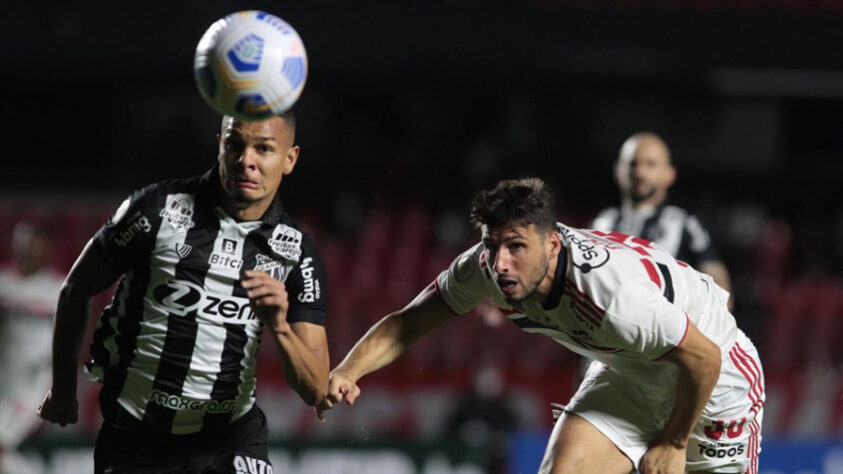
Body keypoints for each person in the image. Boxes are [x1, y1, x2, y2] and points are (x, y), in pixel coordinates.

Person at [318, 178, 764, 474]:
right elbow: (409, 322)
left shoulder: (609, 295)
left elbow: (702, 356)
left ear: (552, 244)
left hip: (714, 380)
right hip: (631, 369)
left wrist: (672, 442)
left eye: (516, 247)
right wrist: (349, 370)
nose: (501, 264)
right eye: (492, 246)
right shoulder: (483, 267)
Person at [37, 112, 330, 474]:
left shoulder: (296, 253)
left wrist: (280, 327)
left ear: (290, 159)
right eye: (234, 145)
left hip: (231, 439)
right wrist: (63, 391)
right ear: (219, 145)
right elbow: (76, 289)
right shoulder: (156, 211)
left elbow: (316, 389)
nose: (246, 161)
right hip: (138, 437)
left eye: (264, 149)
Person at [592, 132, 732, 309]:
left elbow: (721, 293)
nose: (639, 172)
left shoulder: (685, 224)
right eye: (632, 163)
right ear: (617, 171)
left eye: (650, 164)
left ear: (669, 174)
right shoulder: (602, 223)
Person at [0, 222, 65, 472]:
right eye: (23, 245)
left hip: (34, 383)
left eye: (34, 246)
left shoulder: (56, 288)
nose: (28, 251)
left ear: (44, 249)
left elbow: (70, 334)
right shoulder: (3, 283)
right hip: (4, 378)